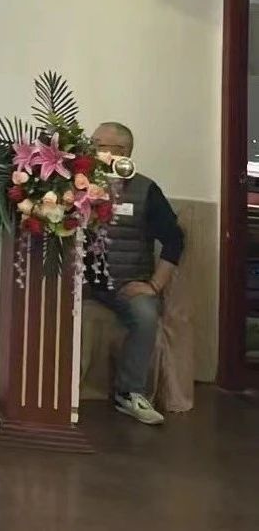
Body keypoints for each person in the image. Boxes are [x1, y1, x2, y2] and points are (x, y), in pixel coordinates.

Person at [87, 122, 185, 426]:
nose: (93, 150)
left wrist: (154, 285)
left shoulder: (146, 190)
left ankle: (130, 394)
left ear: (123, 152)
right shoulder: (75, 182)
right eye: (93, 143)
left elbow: (174, 240)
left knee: (145, 316)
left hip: (125, 283)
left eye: (100, 145)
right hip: (81, 280)